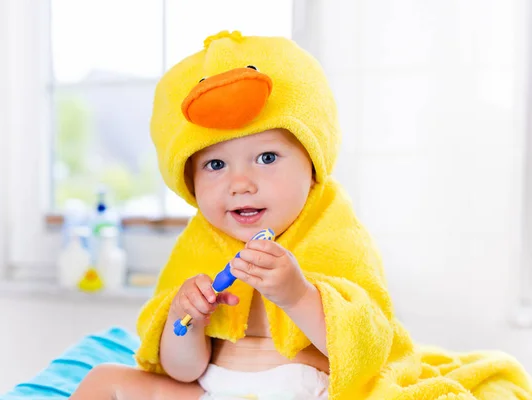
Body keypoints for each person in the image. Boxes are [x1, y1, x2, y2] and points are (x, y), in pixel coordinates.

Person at [70, 31, 532, 400]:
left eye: (267, 158)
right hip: (215, 388)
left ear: (312, 164)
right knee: (104, 379)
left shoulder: (331, 225)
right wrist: (183, 318)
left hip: (309, 387)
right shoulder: (202, 238)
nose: (241, 182)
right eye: (215, 164)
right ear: (189, 181)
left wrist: (298, 295)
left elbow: (364, 348)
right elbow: (182, 370)